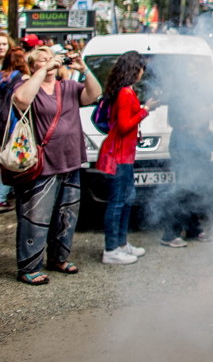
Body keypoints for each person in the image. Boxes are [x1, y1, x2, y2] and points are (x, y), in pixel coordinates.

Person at [9, 46, 101, 285]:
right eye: (42, 59)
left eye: (51, 58)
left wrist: (84, 69)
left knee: (66, 214)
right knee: (35, 217)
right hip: (41, 165)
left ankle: (58, 258)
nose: (49, 62)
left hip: (70, 160)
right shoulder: (28, 86)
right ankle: (29, 266)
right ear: (33, 66)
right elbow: (20, 100)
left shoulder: (68, 87)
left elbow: (93, 95)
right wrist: (41, 72)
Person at [95, 51, 158, 264]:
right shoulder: (125, 93)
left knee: (126, 201)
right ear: (135, 69)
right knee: (118, 203)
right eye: (141, 68)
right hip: (118, 156)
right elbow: (123, 126)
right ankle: (111, 250)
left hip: (124, 155)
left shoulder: (124, 91)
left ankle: (121, 244)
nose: (142, 73)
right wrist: (145, 110)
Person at [160, 65, 213, 247]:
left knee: (196, 189)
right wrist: (199, 121)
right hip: (185, 147)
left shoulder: (201, 95)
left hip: (200, 148)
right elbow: (181, 122)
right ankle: (170, 233)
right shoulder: (179, 97)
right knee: (182, 190)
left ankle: (193, 228)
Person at [0, 40, 27, 214]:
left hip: (2, 122)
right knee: (11, 159)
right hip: (11, 123)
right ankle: (3, 197)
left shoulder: (2, 76)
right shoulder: (21, 78)